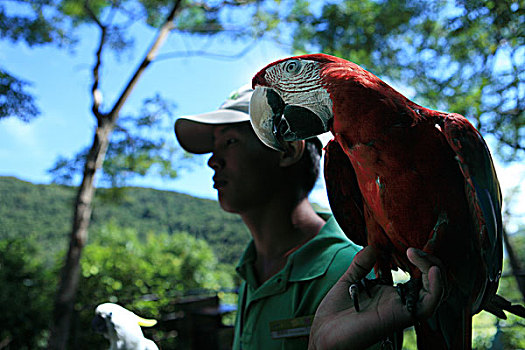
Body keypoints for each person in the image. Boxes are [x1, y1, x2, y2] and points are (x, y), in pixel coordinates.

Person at [174, 84, 444, 350]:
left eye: (230, 141)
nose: (212, 160)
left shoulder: (349, 271)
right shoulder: (251, 271)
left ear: (288, 150)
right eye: (214, 146)